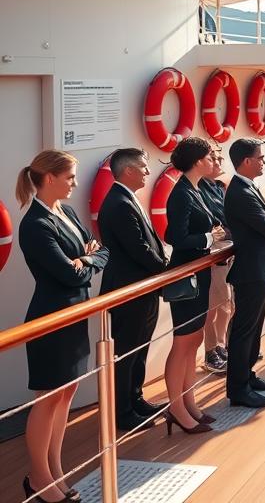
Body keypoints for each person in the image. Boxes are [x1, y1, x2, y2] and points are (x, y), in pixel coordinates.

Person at [17, 150, 109, 503]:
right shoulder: (35, 225)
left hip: (75, 316)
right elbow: (68, 275)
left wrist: (86, 258)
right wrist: (86, 260)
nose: (74, 182)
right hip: (50, 318)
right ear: (50, 178)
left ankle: (55, 468)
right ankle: (38, 478)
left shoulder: (66, 213)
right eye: (70, 176)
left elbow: (100, 251)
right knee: (47, 398)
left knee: (65, 394)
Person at [98, 148, 168, 432]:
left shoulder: (128, 199)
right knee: (126, 351)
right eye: (143, 167)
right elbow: (138, 248)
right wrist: (166, 267)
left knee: (140, 347)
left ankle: (136, 398)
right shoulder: (118, 203)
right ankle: (122, 412)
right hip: (128, 289)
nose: (148, 172)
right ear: (127, 170)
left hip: (143, 288)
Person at [163, 137, 224, 434]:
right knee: (183, 342)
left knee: (195, 339)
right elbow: (175, 237)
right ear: (198, 160)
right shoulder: (182, 194)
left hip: (199, 273)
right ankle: (176, 409)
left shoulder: (195, 189)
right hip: (186, 274)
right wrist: (209, 238)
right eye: (210, 155)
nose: (213, 160)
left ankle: (190, 403)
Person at [224, 137, 265, 408]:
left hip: (258, 268)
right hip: (250, 271)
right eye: (260, 158)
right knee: (244, 330)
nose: (264, 162)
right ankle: (238, 389)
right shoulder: (240, 193)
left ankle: (248, 377)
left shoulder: (247, 188)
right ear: (247, 161)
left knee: (254, 328)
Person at [198, 148, 231, 375]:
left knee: (227, 305)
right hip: (212, 255)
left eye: (219, 158)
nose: (219, 162)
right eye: (214, 158)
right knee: (212, 306)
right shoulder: (197, 190)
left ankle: (221, 345)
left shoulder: (218, 187)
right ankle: (211, 351)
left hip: (227, 251)